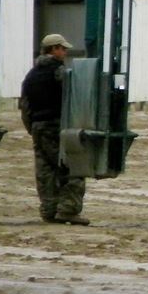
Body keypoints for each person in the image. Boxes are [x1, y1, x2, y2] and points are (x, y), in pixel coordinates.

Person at [19, 33, 88, 225]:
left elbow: (25, 106)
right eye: (63, 48)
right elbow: (73, 99)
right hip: (56, 126)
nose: (65, 52)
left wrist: (33, 129)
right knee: (72, 166)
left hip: (38, 128)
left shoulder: (31, 75)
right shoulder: (59, 72)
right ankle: (68, 209)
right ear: (54, 49)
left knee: (45, 171)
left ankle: (49, 210)